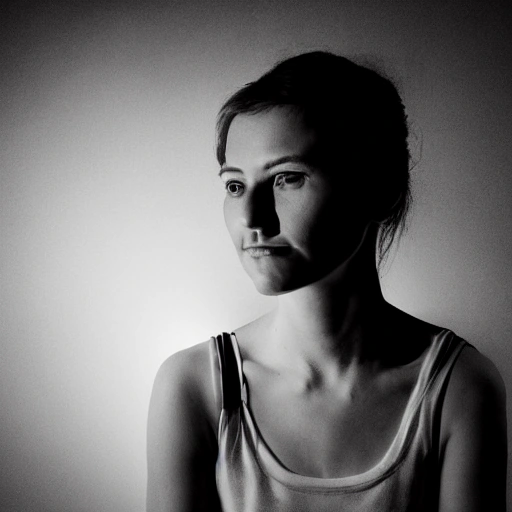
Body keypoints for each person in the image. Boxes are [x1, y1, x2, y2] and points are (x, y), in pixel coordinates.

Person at [146, 51, 507, 512]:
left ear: (380, 189)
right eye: (235, 185)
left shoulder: (459, 388)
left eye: (287, 178)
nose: (252, 219)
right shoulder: (195, 387)